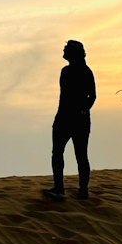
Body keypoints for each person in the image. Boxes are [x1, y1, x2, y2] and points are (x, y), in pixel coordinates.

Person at [43, 39, 96, 201]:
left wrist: (82, 109)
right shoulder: (85, 71)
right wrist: (84, 109)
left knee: (64, 153)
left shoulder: (71, 71)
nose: (63, 52)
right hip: (74, 119)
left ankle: (62, 190)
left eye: (66, 50)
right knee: (76, 154)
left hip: (68, 119)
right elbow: (92, 97)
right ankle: (80, 191)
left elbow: (91, 96)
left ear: (73, 53)